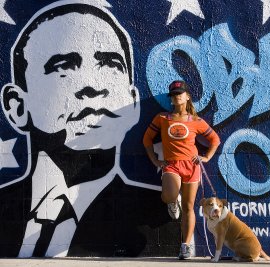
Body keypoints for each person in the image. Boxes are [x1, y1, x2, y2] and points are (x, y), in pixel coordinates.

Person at [0, 1, 168, 257]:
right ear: (17, 106)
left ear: (133, 102)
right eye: (63, 66)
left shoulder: (156, 215)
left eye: (111, 64)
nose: (92, 86)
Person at [143, 80, 220, 259]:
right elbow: (147, 140)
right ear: (171, 99)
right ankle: (172, 202)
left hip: (192, 166)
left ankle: (185, 246)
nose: (176, 96)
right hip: (172, 164)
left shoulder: (196, 121)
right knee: (169, 195)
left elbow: (215, 140)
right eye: (173, 94)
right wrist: (155, 160)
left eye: (180, 93)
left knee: (188, 207)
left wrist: (206, 157)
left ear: (187, 97)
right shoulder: (162, 118)